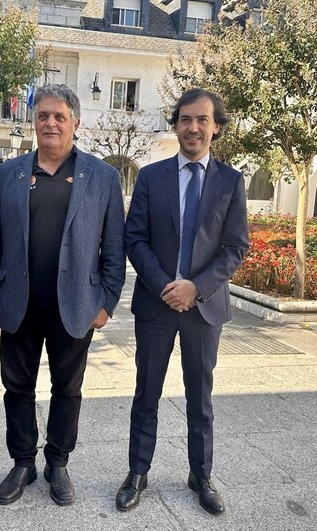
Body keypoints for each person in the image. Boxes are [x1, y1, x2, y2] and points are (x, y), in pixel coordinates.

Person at [0, 84, 126, 507]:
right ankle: (23, 462)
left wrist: (107, 302)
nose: (50, 123)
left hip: (76, 305)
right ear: (34, 121)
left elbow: (113, 247)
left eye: (60, 116)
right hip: (18, 303)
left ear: (75, 123)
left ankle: (57, 462)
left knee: (68, 389)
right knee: (17, 387)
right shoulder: (8, 173)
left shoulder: (102, 176)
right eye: (43, 115)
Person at [115, 88, 249, 515]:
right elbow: (133, 238)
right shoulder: (152, 177)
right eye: (185, 119)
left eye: (202, 120)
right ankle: (138, 472)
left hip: (203, 309)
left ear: (217, 128)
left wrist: (195, 287)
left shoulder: (231, 181)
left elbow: (235, 248)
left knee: (200, 396)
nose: (193, 127)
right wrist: (165, 285)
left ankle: (201, 474)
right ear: (175, 125)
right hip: (156, 305)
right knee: (146, 393)